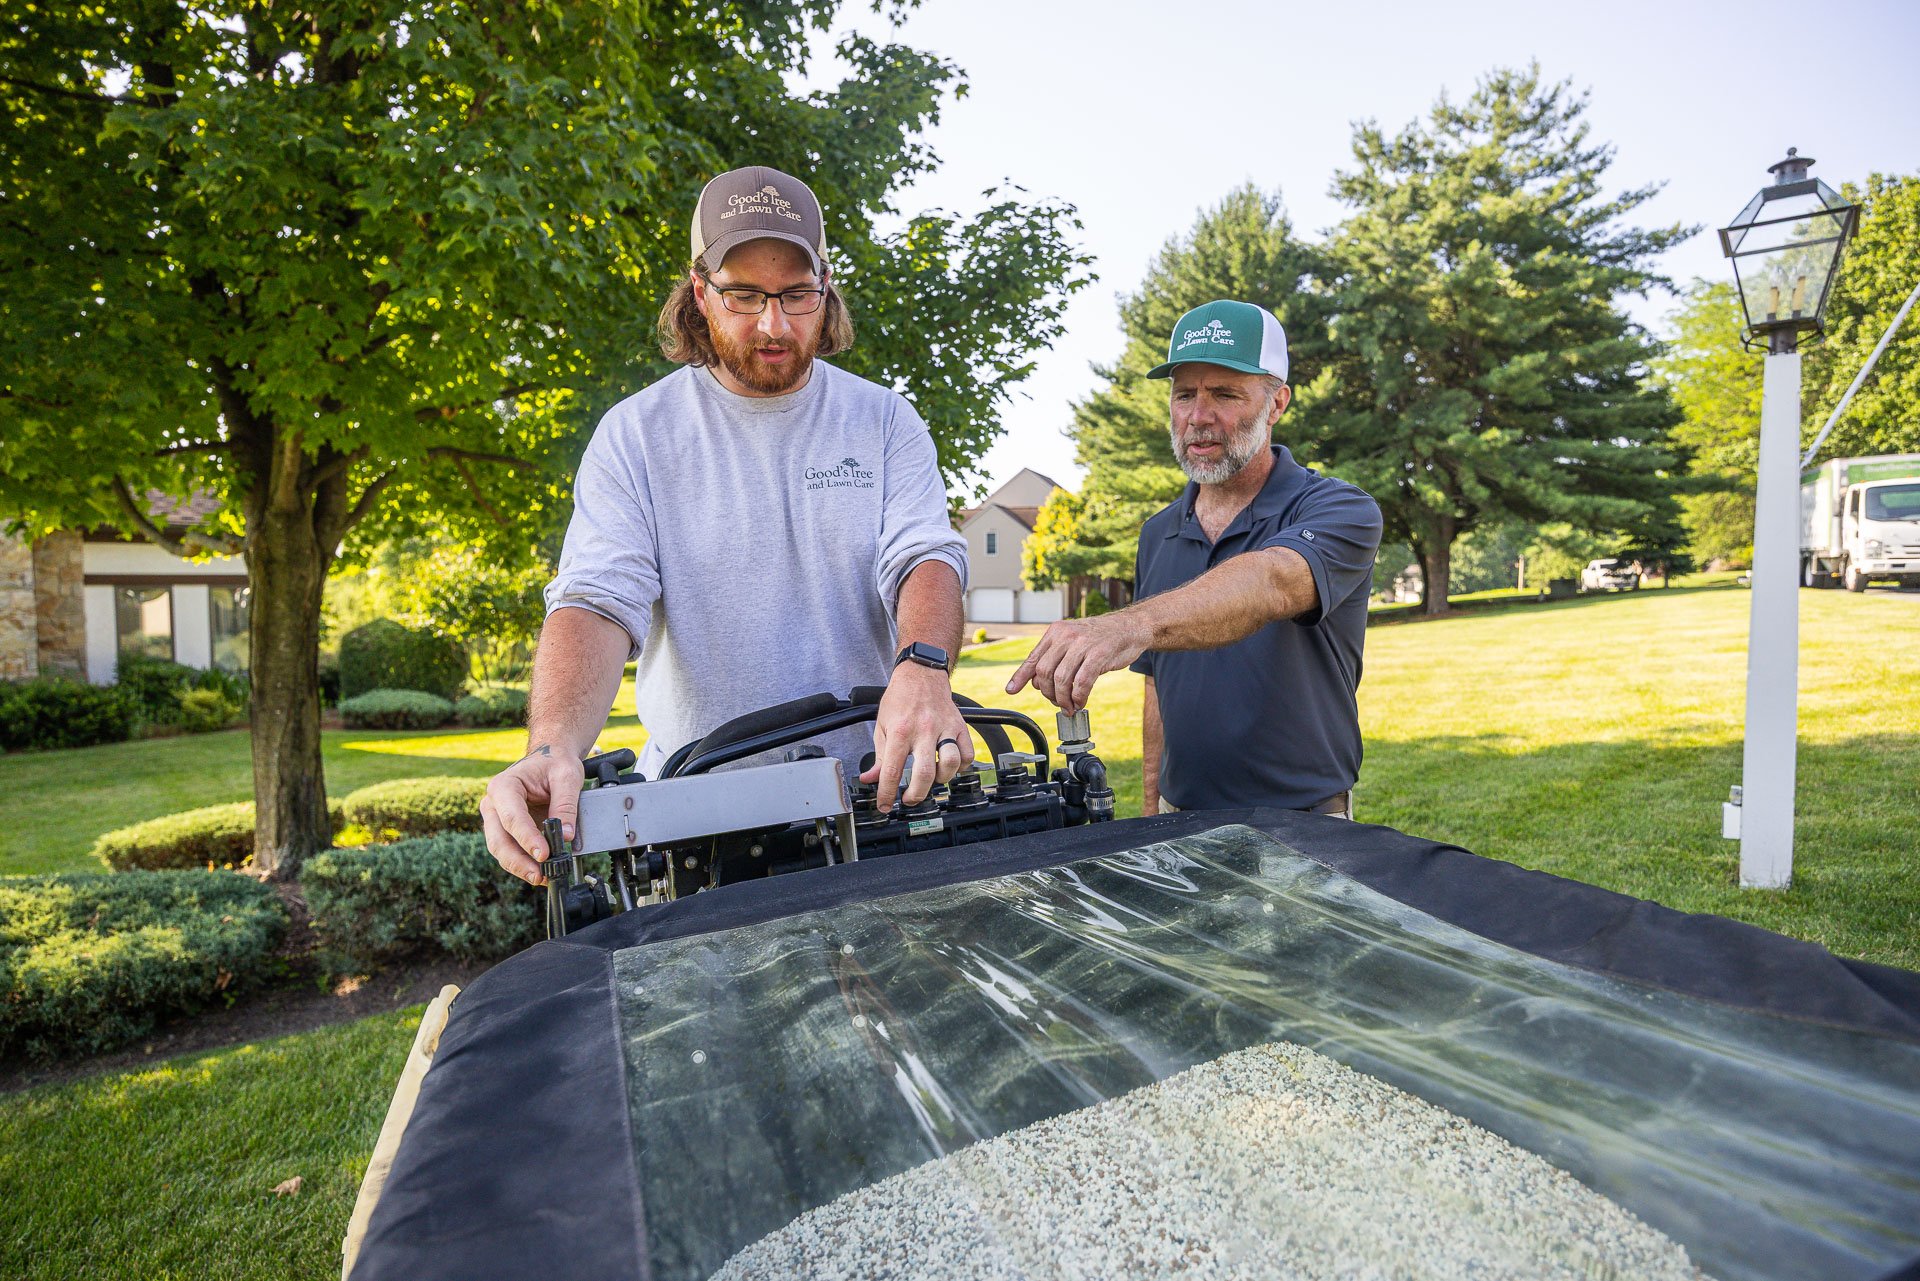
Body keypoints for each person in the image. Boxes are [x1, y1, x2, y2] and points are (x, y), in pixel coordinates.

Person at [482, 165, 972, 885]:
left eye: (797, 295)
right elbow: (594, 598)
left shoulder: (884, 420)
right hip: (699, 826)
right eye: (745, 294)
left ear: (826, 286)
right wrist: (553, 745)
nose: (774, 324)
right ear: (700, 289)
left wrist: (925, 667)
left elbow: (925, 557)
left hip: (876, 804)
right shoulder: (638, 436)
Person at [1006, 300, 1381, 818]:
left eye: (1224, 394)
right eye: (1184, 395)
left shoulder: (1339, 508)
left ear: (1277, 404)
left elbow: (1273, 581)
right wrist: (1151, 811)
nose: (1198, 417)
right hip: (1181, 817)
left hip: (1306, 820)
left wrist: (1130, 624)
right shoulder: (1157, 532)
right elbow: (1159, 689)